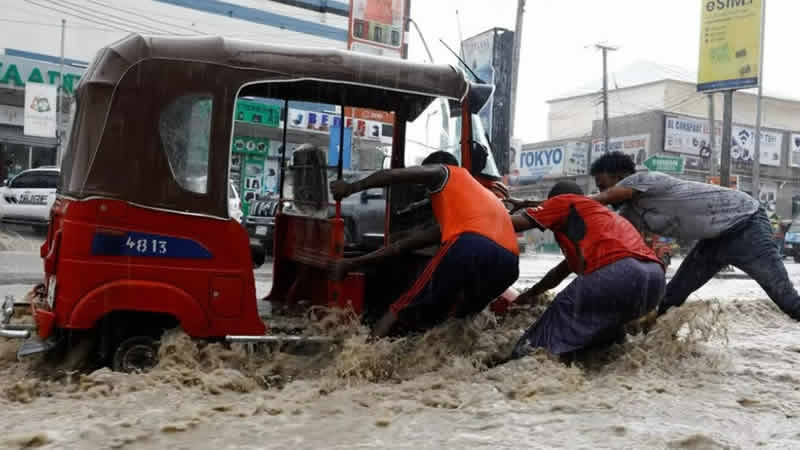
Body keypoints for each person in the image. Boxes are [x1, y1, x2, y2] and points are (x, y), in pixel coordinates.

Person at [329, 147, 520, 337]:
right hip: (510, 264)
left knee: (401, 306)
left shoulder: (445, 172)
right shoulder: (472, 203)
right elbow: (403, 245)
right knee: (460, 319)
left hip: (470, 246)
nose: (424, 191)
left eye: (423, 183)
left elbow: (393, 175)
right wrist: (352, 264)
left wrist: (351, 188)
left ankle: (365, 357)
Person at [589, 151, 800, 320]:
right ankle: (648, 355)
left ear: (620, 178)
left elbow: (608, 196)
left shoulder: (644, 178)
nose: (600, 190)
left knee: (787, 300)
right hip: (713, 241)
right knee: (668, 301)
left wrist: (575, 203)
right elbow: (617, 245)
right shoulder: (629, 214)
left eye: (602, 185)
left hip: (746, 224)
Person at [507, 181, 665, 360]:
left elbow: (510, 224)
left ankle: (519, 362)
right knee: (604, 331)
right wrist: (532, 293)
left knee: (560, 317)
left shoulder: (565, 201)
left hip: (619, 271)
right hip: (654, 279)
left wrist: (481, 213)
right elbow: (560, 272)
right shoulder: (599, 217)